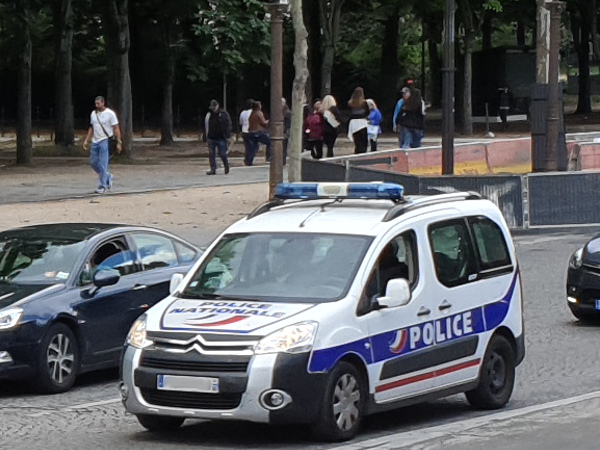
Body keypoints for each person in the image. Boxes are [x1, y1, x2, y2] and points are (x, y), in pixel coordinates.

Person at [82, 96, 122, 194]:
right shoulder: (93, 114)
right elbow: (91, 127)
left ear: (103, 103)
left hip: (105, 139)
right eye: (96, 104)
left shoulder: (110, 114)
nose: (97, 105)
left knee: (103, 164)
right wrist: (87, 140)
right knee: (93, 162)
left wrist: (119, 141)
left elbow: (116, 128)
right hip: (95, 140)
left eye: (99, 103)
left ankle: (103, 185)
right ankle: (107, 176)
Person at [204, 99, 232, 175]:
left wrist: (227, 135)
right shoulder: (209, 115)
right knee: (211, 154)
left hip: (221, 137)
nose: (213, 109)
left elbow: (228, 124)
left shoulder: (223, 114)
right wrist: (205, 137)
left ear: (217, 106)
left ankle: (226, 165)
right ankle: (213, 169)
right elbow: (206, 126)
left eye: (214, 107)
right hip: (211, 137)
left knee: (222, 153)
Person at [347, 87, 369, 154]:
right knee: (363, 139)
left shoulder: (350, 103)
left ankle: (357, 151)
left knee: (357, 139)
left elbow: (349, 112)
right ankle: (363, 152)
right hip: (362, 122)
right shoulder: (364, 102)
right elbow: (367, 112)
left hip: (353, 122)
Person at [239, 98, 255, 166]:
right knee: (252, 147)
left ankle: (247, 159)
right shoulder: (254, 112)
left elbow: (240, 122)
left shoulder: (242, 113)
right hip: (251, 131)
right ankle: (249, 160)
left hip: (244, 131)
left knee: (247, 147)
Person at [282, 98, 292, 165]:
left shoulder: (287, 112)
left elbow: (288, 122)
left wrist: (287, 131)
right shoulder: (278, 111)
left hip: (284, 131)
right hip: (280, 130)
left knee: (283, 147)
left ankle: (283, 160)